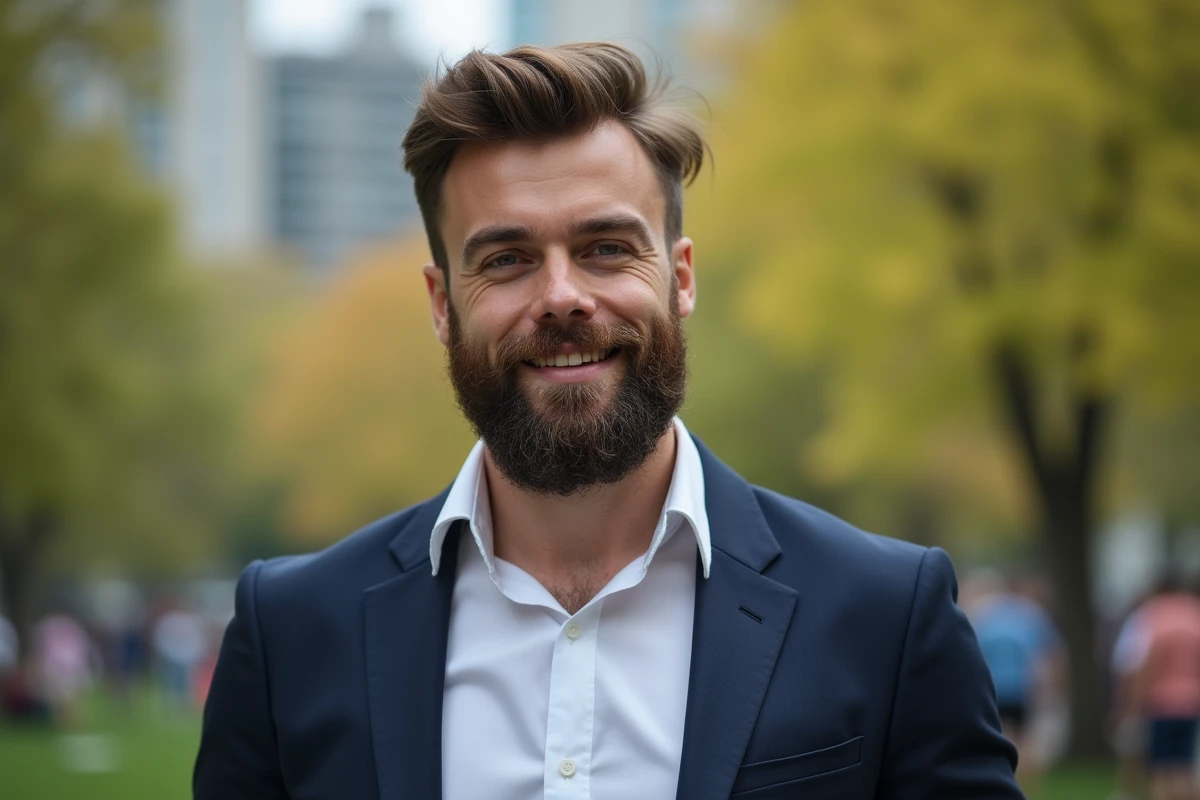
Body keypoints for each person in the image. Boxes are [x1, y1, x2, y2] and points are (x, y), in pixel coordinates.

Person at [194, 43, 1021, 799]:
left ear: (680, 277)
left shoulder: (885, 615)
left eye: (606, 248)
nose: (562, 298)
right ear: (442, 304)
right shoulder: (291, 635)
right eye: (507, 259)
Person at [965, 570, 1066, 797]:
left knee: (997, 739)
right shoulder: (1031, 615)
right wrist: (1053, 689)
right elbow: (1051, 653)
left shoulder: (984, 616)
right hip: (1022, 688)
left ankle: (1000, 786)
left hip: (992, 688)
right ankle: (1027, 791)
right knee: (1025, 742)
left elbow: (973, 654)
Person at [1117, 581, 1200, 800]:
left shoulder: (1155, 617)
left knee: (1162, 770)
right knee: (1185, 768)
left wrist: (1132, 705)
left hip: (1162, 703)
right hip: (1191, 702)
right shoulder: (1194, 615)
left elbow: (1145, 665)